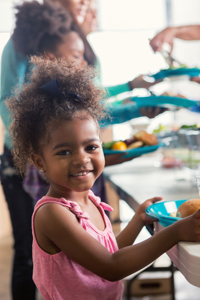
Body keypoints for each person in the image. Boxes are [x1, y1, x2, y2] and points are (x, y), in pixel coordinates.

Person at [6, 56, 200, 300]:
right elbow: (111, 266)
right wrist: (174, 233)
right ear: (39, 161)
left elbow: (108, 251)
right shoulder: (53, 214)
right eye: (64, 152)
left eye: (91, 147)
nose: (81, 159)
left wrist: (138, 219)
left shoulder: (89, 200)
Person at [0, 1, 86, 299]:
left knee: (57, 247)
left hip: (47, 156)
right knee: (27, 247)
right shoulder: (18, 47)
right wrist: (37, 149)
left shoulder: (66, 41)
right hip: (21, 159)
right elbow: (10, 101)